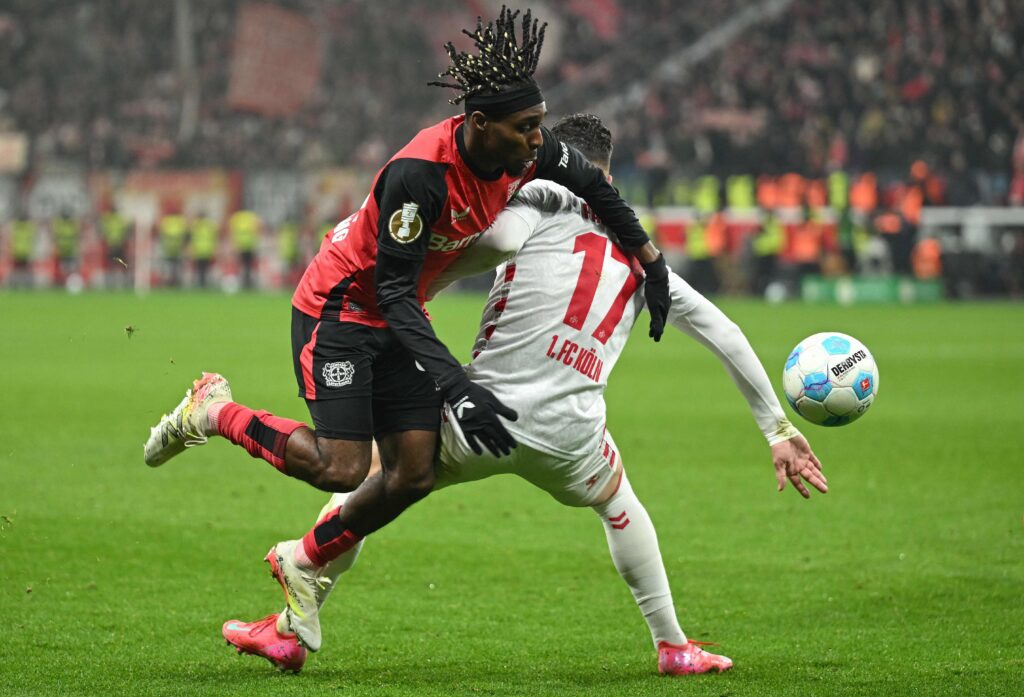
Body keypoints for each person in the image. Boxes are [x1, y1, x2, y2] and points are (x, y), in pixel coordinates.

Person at [218, 114, 827, 676]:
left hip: (485, 417)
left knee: (377, 479)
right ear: (608, 175)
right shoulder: (647, 261)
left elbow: (501, 239)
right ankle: (673, 645)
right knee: (621, 506)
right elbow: (726, 332)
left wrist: (419, 269)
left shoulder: (539, 197)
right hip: (573, 438)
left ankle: (297, 603)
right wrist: (778, 430)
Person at [143, 8, 671, 652]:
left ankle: (300, 566)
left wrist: (652, 263)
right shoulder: (419, 176)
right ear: (480, 125)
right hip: (340, 311)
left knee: (413, 474)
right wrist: (455, 384)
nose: (540, 141)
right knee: (341, 468)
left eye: (540, 126)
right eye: (526, 128)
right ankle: (214, 410)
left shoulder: (525, 151)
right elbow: (390, 291)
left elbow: (597, 187)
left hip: (400, 317)